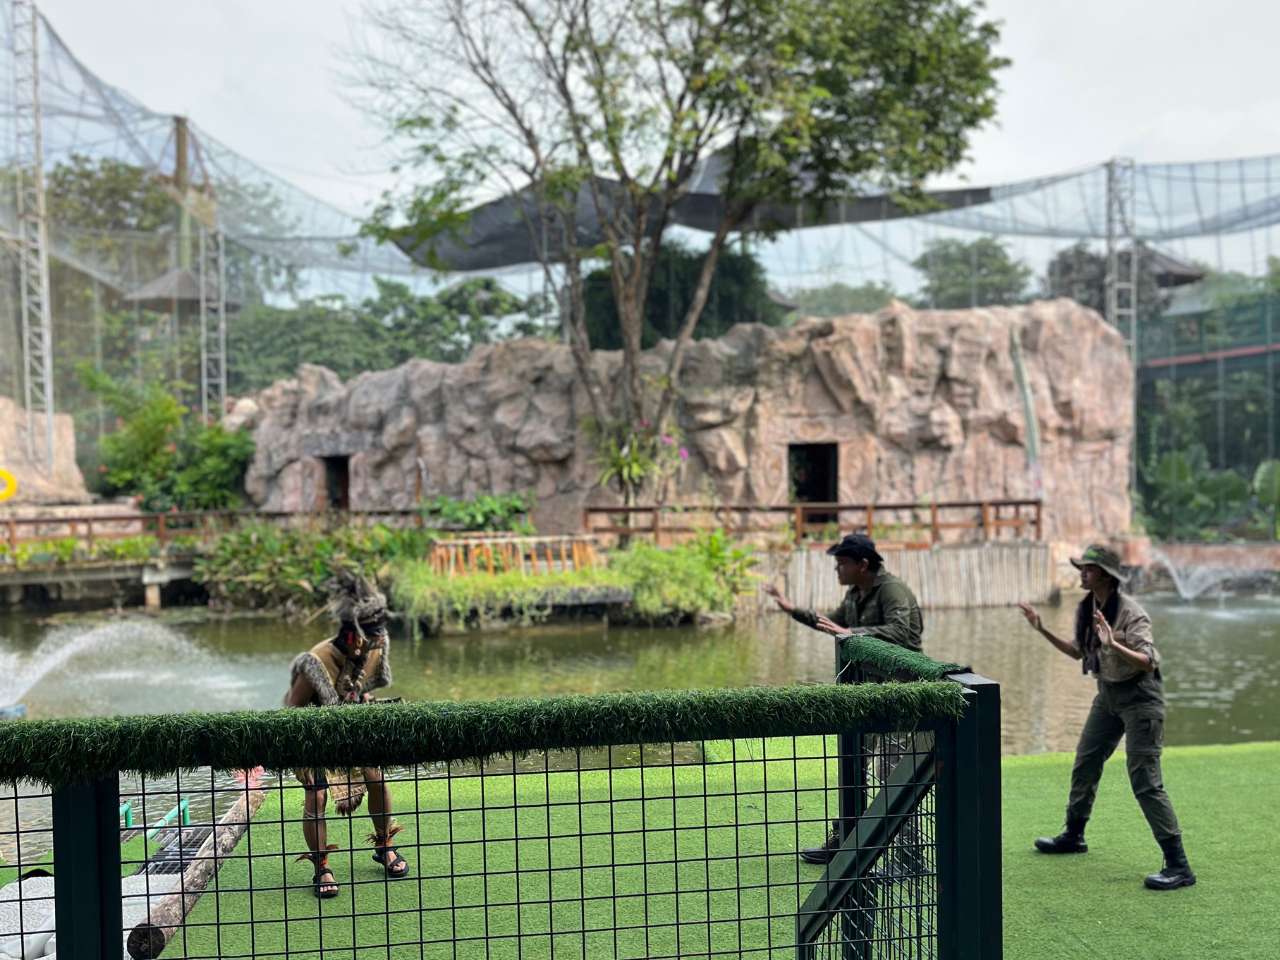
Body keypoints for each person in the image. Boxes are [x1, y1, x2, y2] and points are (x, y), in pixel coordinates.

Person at [1018, 543, 1195, 891]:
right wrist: (1040, 628)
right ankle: (1074, 836)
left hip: (1141, 699)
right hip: (1108, 696)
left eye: (1088, 568)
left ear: (1106, 575)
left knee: (1145, 780)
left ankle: (1179, 865)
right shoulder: (1088, 608)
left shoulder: (1131, 613)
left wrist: (1113, 644)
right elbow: (1077, 652)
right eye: (1082, 567)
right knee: (1085, 762)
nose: (1082, 573)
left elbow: (1149, 661)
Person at [764, 532, 925, 865]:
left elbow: (902, 632)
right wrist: (791, 608)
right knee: (853, 764)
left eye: (841, 564)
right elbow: (831, 624)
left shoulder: (892, 590)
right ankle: (845, 841)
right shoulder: (854, 594)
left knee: (893, 771)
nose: (837, 569)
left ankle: (909, 856)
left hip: (900, 694)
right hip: (867, 695)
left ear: (862, 564)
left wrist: (854, 634)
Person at [284, 571, 410, 898]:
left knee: (377, 777)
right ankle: (321, 865)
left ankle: (384, 845)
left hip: (350, 727)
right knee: (317, 795)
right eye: (372, 634)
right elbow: (292, 710)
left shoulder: (375, 647)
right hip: (311, 733)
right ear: (353, 635)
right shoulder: (317, 661)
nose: (379, 639)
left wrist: (362, 699)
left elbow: (362, 686)